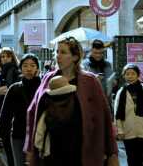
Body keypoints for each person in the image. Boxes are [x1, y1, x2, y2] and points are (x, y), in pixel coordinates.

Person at [24, 36, 119, 166]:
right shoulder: (48, 78)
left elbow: (104, 117)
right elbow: (33, 111)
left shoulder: (90, 81)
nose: (58, 56)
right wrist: (30, 148)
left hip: (80, 148)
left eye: (63, 52)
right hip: (52, 148)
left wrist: (112, 152)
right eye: (57, 52)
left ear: (75, 57)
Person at [0, 54, 41, 166]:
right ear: (21, 69)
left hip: (39, 135)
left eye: (32, 65)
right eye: (25, 66)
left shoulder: (43, 87)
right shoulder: (14, 88)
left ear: (37, 68)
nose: (29, 69)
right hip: (19, 134)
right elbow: (5, 114)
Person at [114, 64, 143, 166]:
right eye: (127, 74)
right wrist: (120, 130)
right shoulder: (121, 92)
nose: (130, 76)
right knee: (131, 158)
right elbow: (117, 114)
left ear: (138, 75)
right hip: (128, 131)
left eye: (133, 74)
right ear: (124, 76)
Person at [33, 75, 80, 165]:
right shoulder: (75, 102)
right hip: (74, 149)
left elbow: (40, 135)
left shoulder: (48, 105)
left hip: (53, 151)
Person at [0, 47, 20, 166]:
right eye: (2, 56)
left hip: (9, 110)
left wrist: (5, 89)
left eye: (7, 56)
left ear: (12, 57)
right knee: (1, 138)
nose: (4, 59)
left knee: (6, 139)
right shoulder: (1, 71)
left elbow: (11, 88)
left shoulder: (13, 70)